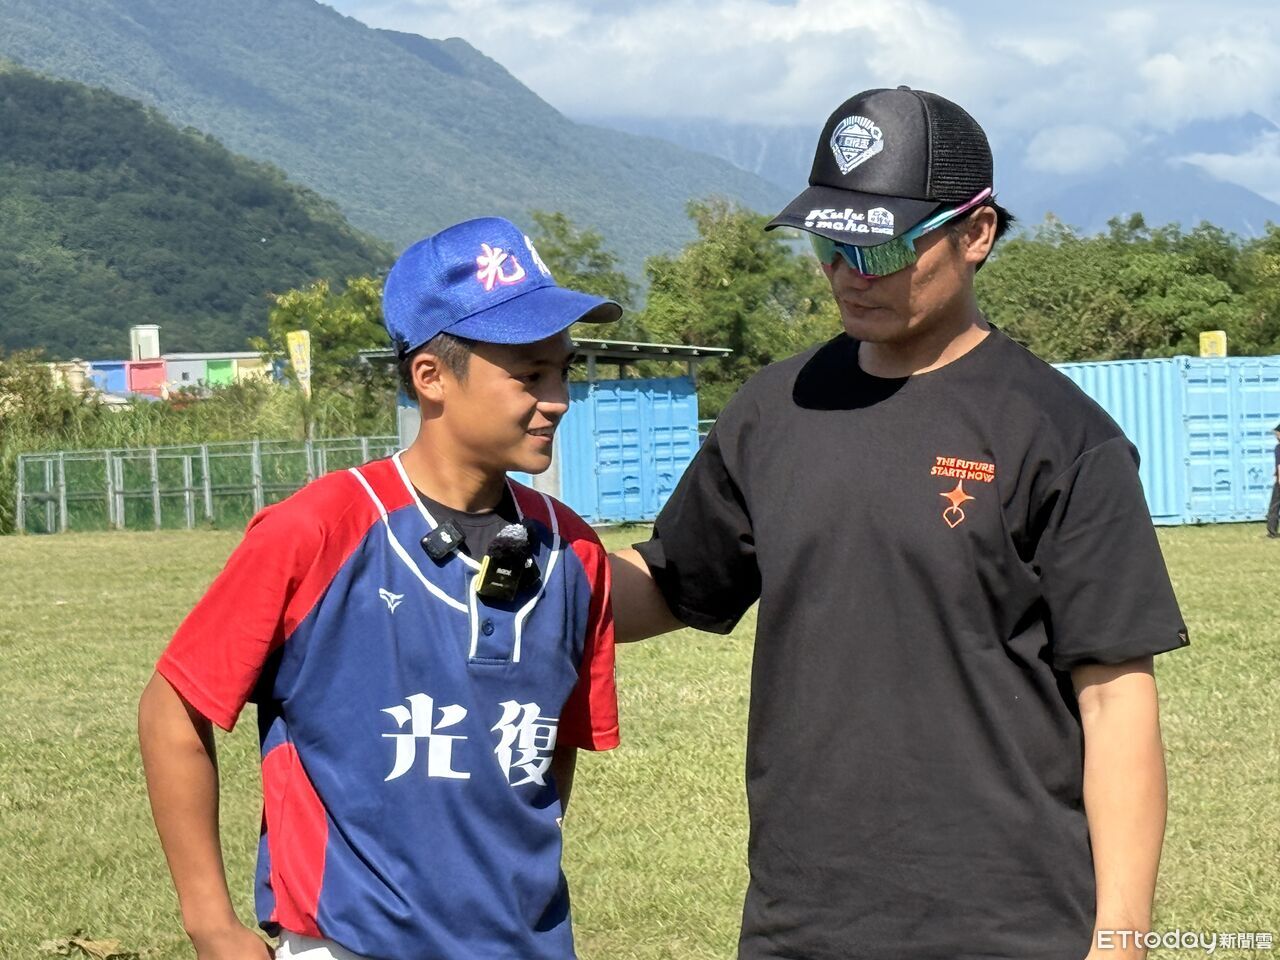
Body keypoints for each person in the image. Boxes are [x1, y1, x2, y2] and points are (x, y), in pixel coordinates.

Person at [610, 87, 1189, 960]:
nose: (851, 271)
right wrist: (523, 577)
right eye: (829, 244)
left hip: (1006, 926)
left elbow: (1116, 702)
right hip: (800, 923)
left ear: (977, 233)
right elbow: (671, 582)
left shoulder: (1062, 436)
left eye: (880, 245)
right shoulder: (775, 409)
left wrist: (1122, 937)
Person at [139, 217, 621, 960]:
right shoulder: (319, 529)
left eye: (563, 371)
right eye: (529, 375)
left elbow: (550, 748)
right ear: (431, 376)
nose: (556, 398)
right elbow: (173, 707)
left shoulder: (575, 551)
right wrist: (211, 922)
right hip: (349, 941)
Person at [1267, 421, 1280, 538]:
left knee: (1274, 506)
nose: (1276, 435)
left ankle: (1272, 531)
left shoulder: (1278, 448)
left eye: (1277, 433)